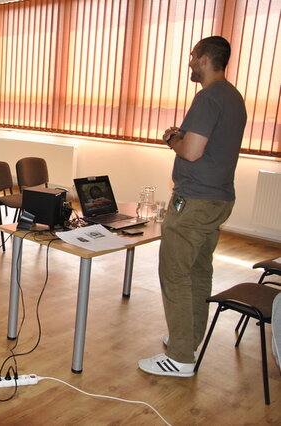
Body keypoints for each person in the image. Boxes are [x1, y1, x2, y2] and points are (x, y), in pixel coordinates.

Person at [138, 36, 247, 377]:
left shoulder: (208, 96)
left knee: (174, 273)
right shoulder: (233, 97)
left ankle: (180, 357)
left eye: (192, 56)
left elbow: (192, 151)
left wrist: (172, 138)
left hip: (195, 201)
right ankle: (189, 338)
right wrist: (182, 137)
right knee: (199, 271)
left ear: (203, 58)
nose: (189, 62)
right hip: (219, 199)